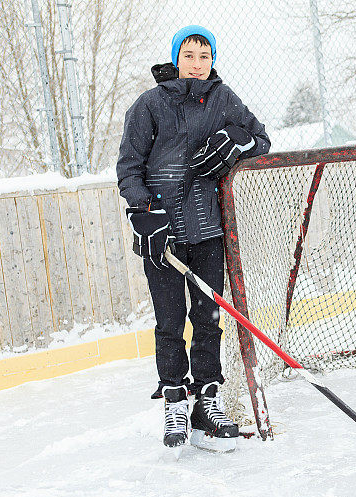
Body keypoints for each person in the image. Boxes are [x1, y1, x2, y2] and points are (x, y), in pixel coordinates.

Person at [116, 25, 270, 454]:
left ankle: (207, 398)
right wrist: (144, 211)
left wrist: (234, 140)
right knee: (170, 321)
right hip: (162, 235)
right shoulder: (149, 104)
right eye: (190, 55)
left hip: (206, 232)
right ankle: (174, 399)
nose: (198, 63)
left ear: (212, 61)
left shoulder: (223, 98)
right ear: (175, 58)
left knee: (208, 319)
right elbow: (129, 165)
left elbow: (261, 139)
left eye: (205, 56)